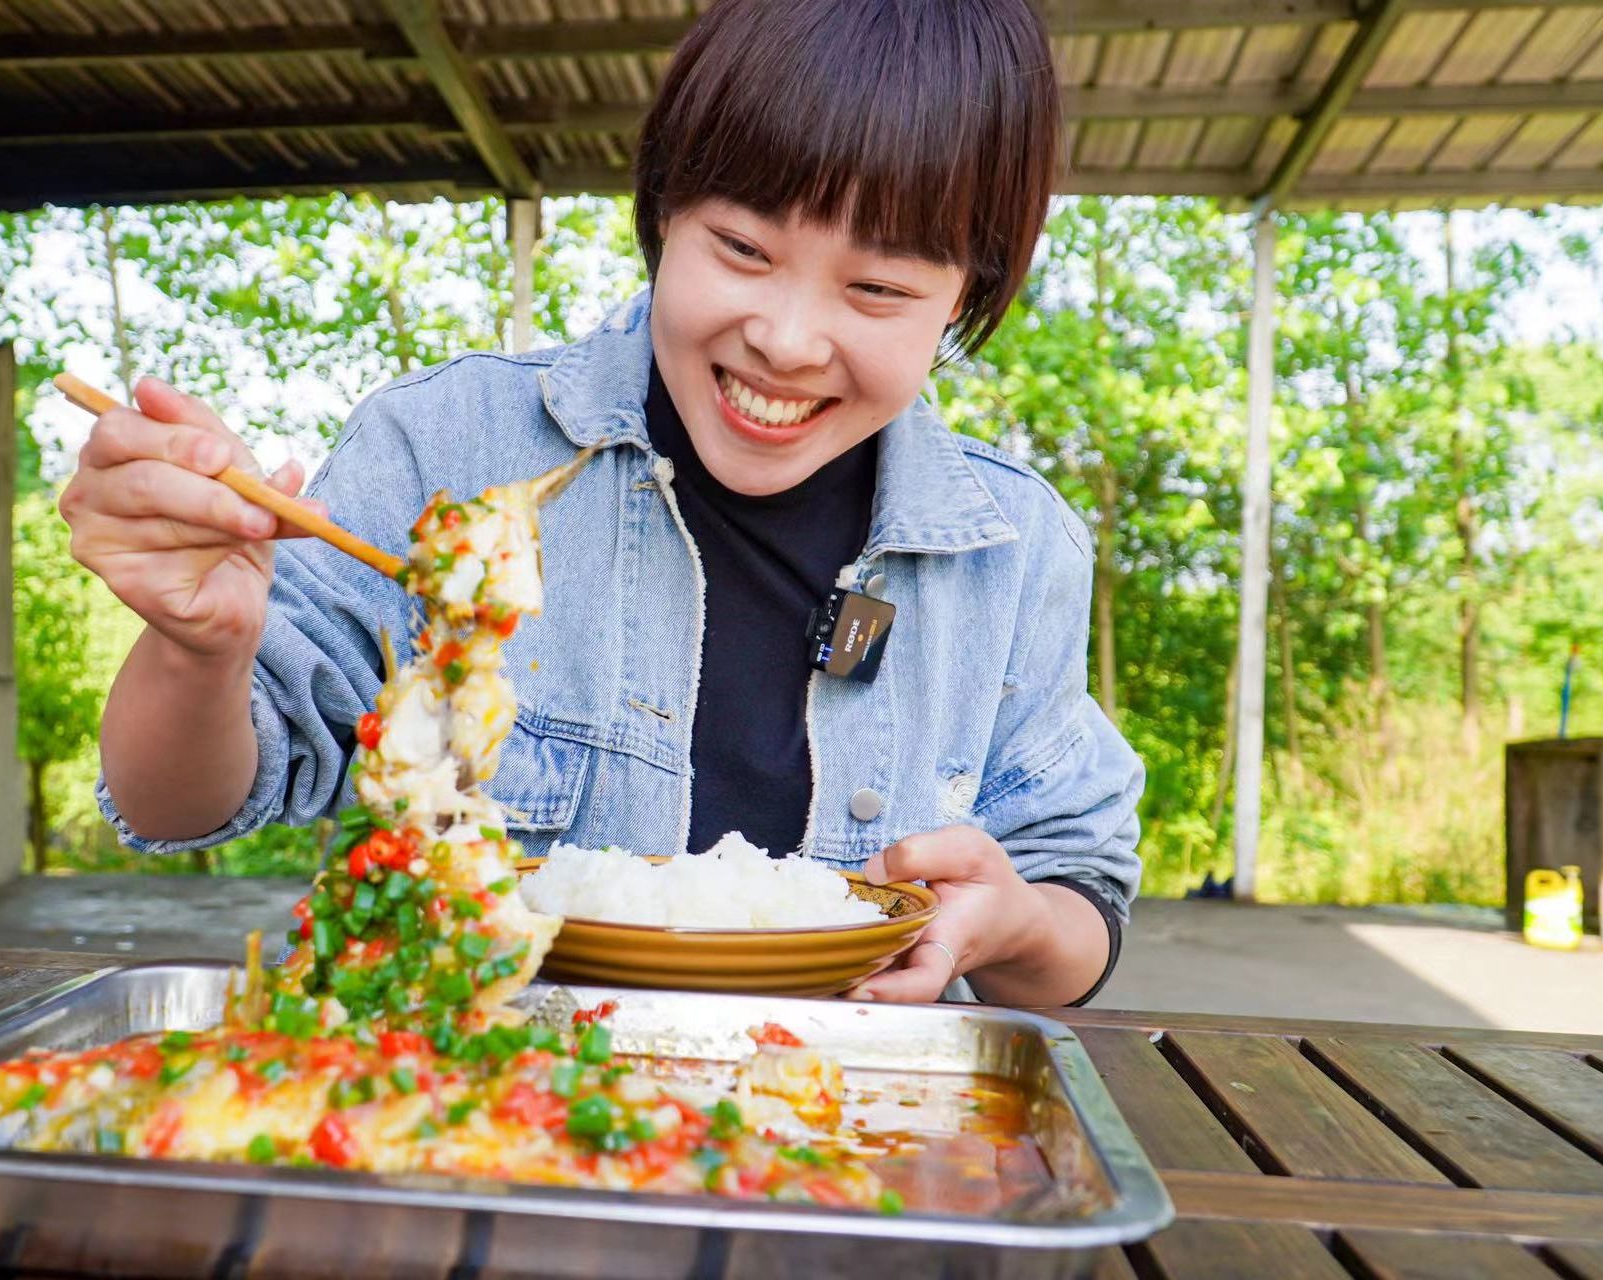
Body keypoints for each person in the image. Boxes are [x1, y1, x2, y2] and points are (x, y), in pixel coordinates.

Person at [59, 0, 1144, 1007]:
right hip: (481, 1117)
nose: (786, 338)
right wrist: (201, 645)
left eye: (877, 290)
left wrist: (1010, 924)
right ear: (664, 209)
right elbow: (175, 804)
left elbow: (1076, 898)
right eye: (742, 248)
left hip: (846, 1139)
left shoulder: (1012, 548)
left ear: (967, 294)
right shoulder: (445, 445)